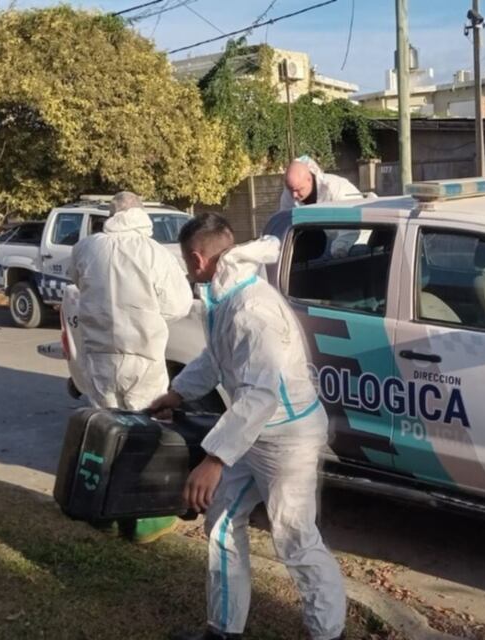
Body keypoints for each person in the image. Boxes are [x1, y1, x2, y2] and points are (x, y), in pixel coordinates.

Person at [151, 213, 346, 640]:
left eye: (187, 262)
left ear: (198, 258)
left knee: (294, 537)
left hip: (287, 437)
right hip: (254, 431)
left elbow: (261, 394)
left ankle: (329, 633)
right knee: (221, 522)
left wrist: (215, 459)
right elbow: (217, 359)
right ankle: (223, 630)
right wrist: (178, 392)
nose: (187, 270)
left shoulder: (251, 309)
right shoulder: (227, 298)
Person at [70, 191, 193, 543]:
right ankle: (142, 521)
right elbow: (179, 304)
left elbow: (78, 283)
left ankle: (102, 512)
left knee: (105, 434)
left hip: (99, 355)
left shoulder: (87, 247)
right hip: (142, 355)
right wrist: (147, 317)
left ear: (110, 214)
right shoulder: (154, 253)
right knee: (144, 435)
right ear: (141, 214)